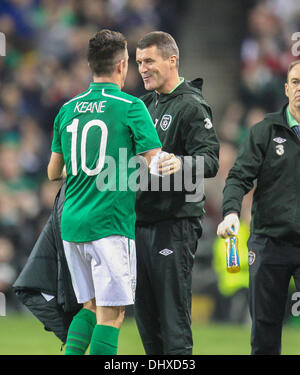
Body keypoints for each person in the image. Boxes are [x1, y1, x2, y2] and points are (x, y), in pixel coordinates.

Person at [47, 29, 164, 355]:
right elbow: (156, 164)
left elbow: (53, 172)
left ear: (90, 65)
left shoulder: (68, 109)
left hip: (72, 225)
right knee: (112, 315)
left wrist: (83, 168)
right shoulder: (130, 107)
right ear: (121, 66)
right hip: (110, 224)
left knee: (89, 305)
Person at [134, 31, 220, 355]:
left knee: (173, 321)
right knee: (146, 321)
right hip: (140, 224)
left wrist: (180, 163)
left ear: (172, 61)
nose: (143, 68)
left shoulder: (192, 106)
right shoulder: (142, 105)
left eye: (149, 61)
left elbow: (211, 160)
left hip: (174, 225)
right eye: (139, 61)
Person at [217, 60, 300, 355]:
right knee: (264, 334)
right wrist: (230, 212)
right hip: (269, 242)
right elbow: (239, 176)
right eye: (296, 81)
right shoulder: (264, 131)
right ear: (286, 88)